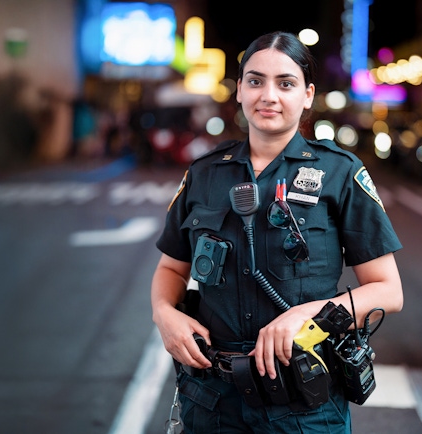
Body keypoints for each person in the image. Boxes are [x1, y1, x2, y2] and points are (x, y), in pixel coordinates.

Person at [151, 31, 403, 433]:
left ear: (307, 95)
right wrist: (164, 314)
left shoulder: (339, 172)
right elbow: (171, 269)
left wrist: (307, 316)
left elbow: (388, 290)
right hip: (212, 402)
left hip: (304, 404)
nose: (268, 95)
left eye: (285, 83)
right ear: (239, 91)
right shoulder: (204, 174)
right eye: (255, 81)